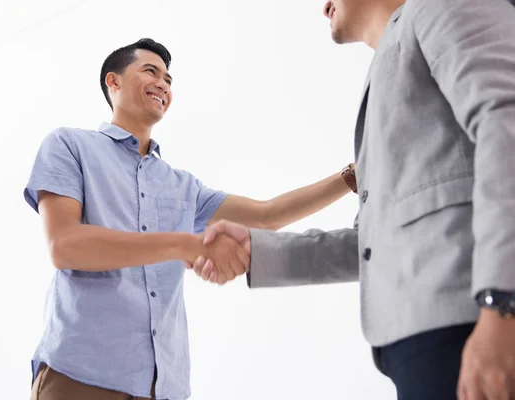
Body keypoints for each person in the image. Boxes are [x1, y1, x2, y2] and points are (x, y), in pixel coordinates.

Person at [191, 0, 515, 398]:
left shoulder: (442, 6)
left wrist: (502, 302)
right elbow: (371, 244)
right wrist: (256, 251)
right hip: (422, 342)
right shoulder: (388, 70)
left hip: (476, 323)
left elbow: (507, 126)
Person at [23, 38, 357, 400]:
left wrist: (351, 177)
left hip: (164, 388)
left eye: (168, 79)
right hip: (81, 376)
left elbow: (266, 215)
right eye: (151, 71)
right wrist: (187, 244)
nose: (163, 84)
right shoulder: (69, 146)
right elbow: (66, 246)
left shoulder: (183, 186)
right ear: (113, 82)